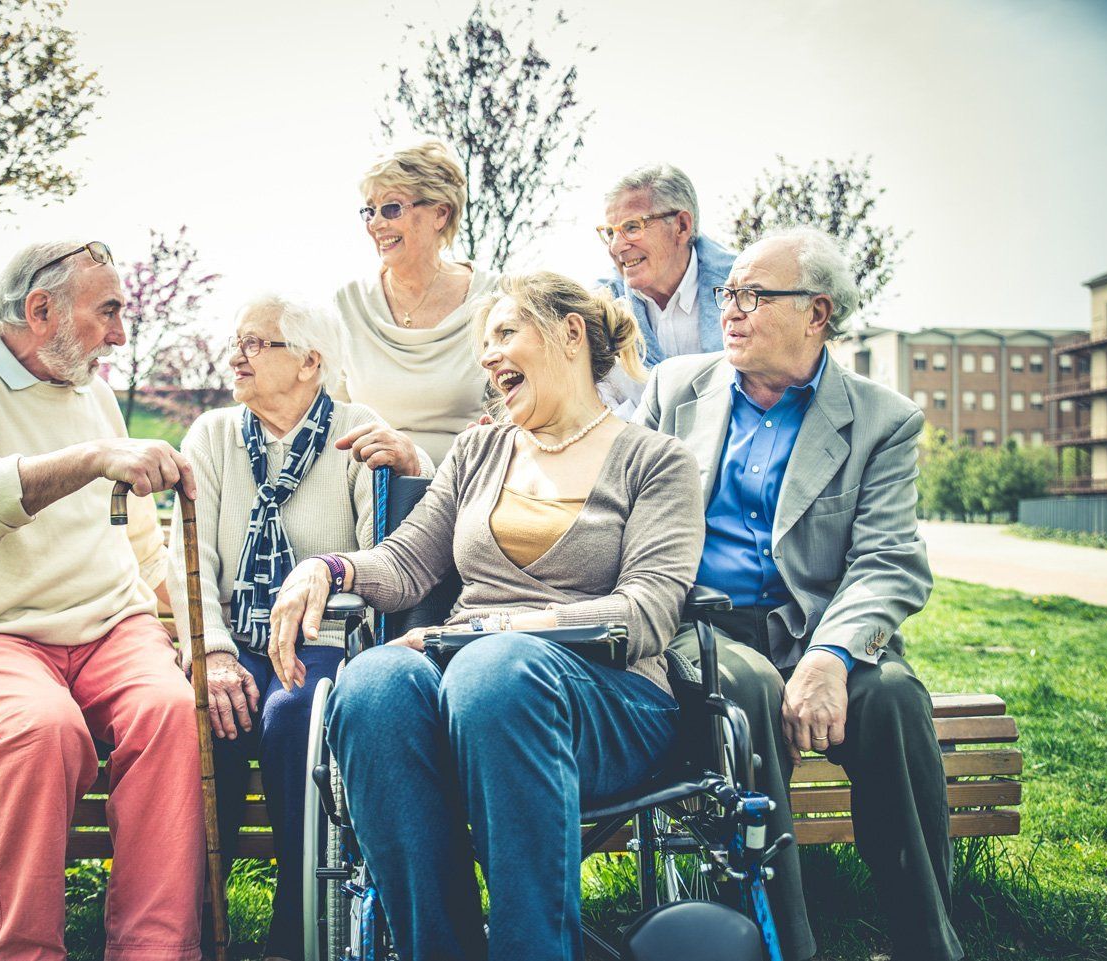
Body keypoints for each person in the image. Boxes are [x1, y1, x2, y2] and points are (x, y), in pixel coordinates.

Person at [270, 273, 703, 961]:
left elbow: (645, 612)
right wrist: (327, 568)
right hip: (471, 685)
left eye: (505, 333)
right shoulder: (478, 450)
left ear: (569, 333)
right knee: (375, 685)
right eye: (483, 342)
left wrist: (490, 631)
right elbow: (408, 562)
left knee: (496, 671)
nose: (488, 355)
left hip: (606, 702)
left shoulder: (657, 461)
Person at [638, 227, 958, 961]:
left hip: (821, 626)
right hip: (706, 629)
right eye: (728, 295)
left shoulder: (884, 418)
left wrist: (831, 658)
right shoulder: (674, 390)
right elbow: (613, 498)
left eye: (753, 295)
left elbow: (888, 562)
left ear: (816, 314)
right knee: (745, 690)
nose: (732, 311)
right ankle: (783, 946)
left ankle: (928, 946)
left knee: (898, 701)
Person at [0, 240, 205, 961]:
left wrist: (193, 635)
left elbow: (135, 537)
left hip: (111, 627)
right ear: (41, 311)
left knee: (169, 713)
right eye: (108, 312)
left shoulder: (95, 392)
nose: (121, 335)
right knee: (43, 731)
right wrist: (95, 457)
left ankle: (153, 952)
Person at [165, 294, 429, 961]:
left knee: (294, 715)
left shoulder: (356, 429)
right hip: (232, 640)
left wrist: (406, 467)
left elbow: (388, 553)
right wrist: (214, 652)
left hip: (323, 641)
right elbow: (190, 561)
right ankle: (190, 928)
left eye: (257, 343)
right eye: (238, 341)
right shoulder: (213, 436)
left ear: (310, 362)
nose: (237, 354)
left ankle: (299, 925)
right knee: (203, 713)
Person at [333, 140, 501, 462]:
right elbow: (329, 418)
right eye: (370, 210)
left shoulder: (495, 298)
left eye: (392, 208)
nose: (376, 223)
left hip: (466, 485)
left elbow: (519, 413)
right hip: (372, 491)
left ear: (440, 213)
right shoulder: (349, 304)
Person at [596, 162, 736, 417]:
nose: (616, 247)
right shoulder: (599, 306)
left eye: (631, 227)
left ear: (681, 226)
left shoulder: (745, 289)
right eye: (609, 232)